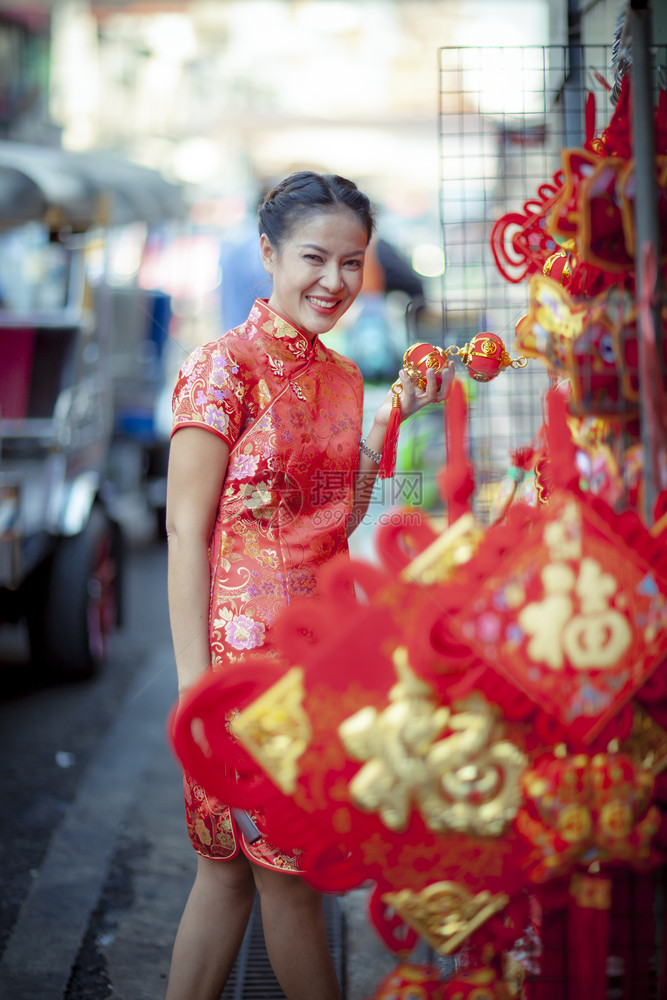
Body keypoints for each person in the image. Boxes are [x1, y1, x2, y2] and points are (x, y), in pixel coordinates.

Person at [164, 170, 454, 1000]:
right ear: (268, 253)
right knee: (278, 877)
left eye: (352, 261)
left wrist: (395, 412)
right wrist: (193, 683)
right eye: (313, 258)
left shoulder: (337, 377)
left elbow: (336, 513)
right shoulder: (222, 369)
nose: (334, 281)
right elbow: (187, 531)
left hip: (314, 663)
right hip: (238, 673)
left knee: (230, 875)